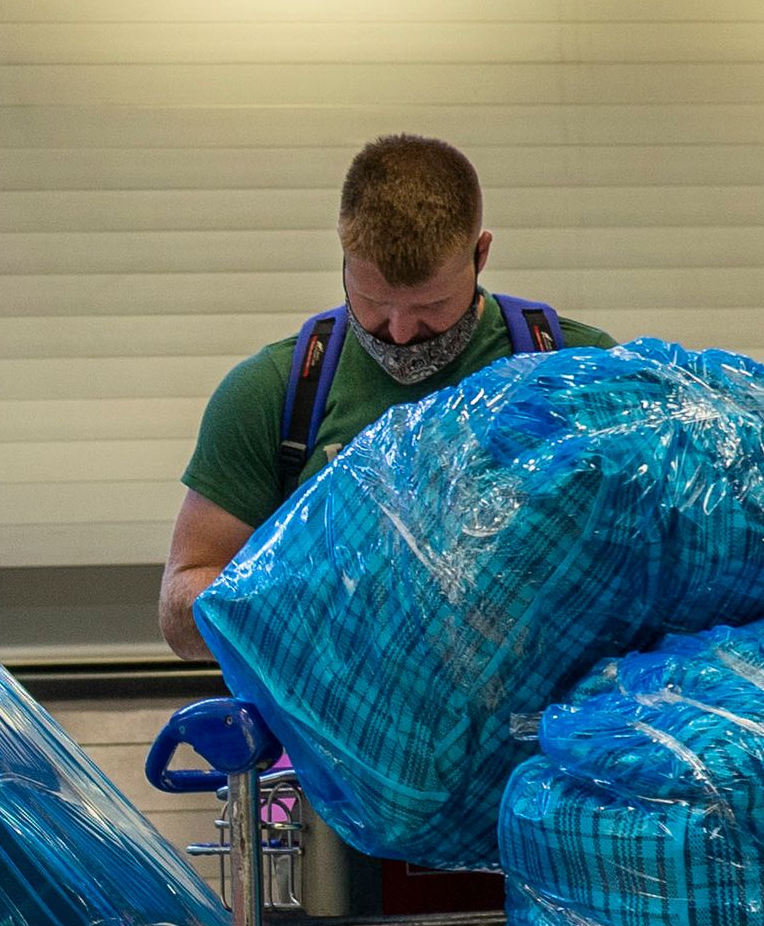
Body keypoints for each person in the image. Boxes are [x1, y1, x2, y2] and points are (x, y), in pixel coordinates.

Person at [158, 134, 612, 662]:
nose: (398, 332)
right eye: (373, 300)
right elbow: (180, 613)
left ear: (481, 254)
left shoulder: (578, 370)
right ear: (344, 253)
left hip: (538, 731)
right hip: (330, 732)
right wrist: (309, 598)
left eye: (431, 304)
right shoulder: (273, 395)